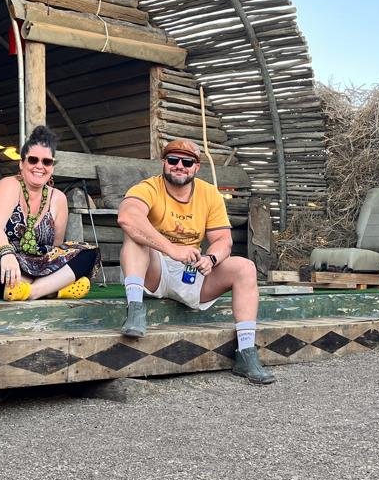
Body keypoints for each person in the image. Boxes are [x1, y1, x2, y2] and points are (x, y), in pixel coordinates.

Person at [116, 139, 274, 385]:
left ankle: (246, 352)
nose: (180, 165)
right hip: (154, 269)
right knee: (135, 238)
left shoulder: (209, 193)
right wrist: (171, 249)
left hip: (192, 271)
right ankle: (135, 310)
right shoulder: (148, 187)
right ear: (164, 163)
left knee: (245, 267)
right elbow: (127, 216)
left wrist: (212, 258)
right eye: (173, 160)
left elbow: (223, 239)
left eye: (187, 162)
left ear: (196, 167)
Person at [0, 125, 99, 301]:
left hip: (33, 264)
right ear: (21, 163)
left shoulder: (58, 199)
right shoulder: (10, 185)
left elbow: (55, 249)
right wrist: (7, 253)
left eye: (46, 161)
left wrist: (50, 266)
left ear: (52, 167)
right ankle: (51, 290)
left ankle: (28, 291)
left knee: (88, 253)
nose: (39, 166)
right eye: (33, 160)